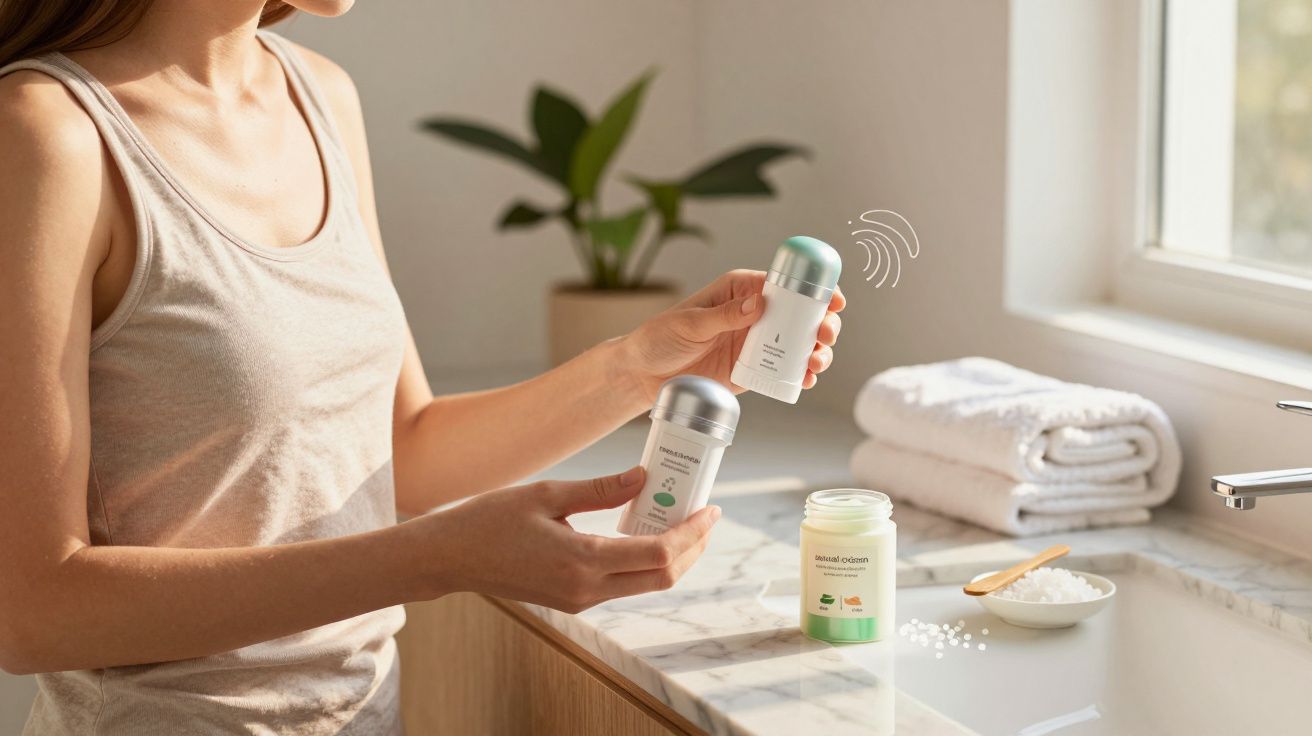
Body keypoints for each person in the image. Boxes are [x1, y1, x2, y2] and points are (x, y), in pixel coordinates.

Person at [0, 0, 844, 733]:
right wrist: (434, 559)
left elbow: (400, 451)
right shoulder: (47, 134)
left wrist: (640, 370)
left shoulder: (318, 97)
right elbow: (32, 610)